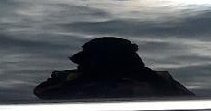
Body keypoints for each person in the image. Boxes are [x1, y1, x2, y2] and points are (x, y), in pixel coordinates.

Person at [33, 37, 193, 101]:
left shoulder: (158, 81)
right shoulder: (68, 80)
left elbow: (191, 105)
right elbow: (41, 93)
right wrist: (82, 81)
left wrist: (151, 80)